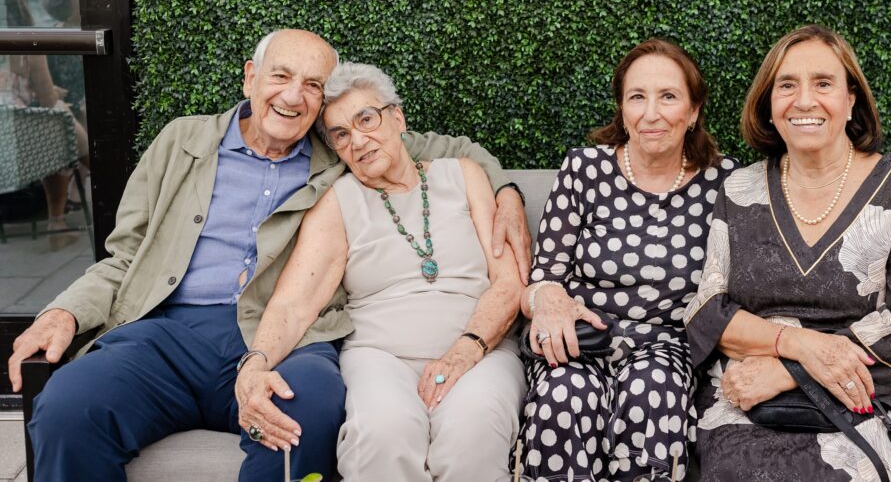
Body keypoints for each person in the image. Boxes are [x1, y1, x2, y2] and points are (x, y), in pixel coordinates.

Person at [7, 29, 532, 482]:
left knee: (305, 409)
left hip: (285, 335)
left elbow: (443, 148)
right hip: (167, 332)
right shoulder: (181, 142)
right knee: (69, 409)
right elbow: (123, 257)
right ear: (250, 78)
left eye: (312, 86)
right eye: (281, 76)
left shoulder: (338, 146)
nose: (293, 96)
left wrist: (506, 189)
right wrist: (65, 311)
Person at [683, 25, 891, 481]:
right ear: (769, 104)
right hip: (757, 396)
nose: (803, 101)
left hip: (876, 390)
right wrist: (798, 346)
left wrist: (790, 371)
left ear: (850, 99)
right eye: (786, 86)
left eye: (823, 84)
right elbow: (707, 310)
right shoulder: (738, 190)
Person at [235, 61, 526, 481]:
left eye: (366, 119)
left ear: (398, 117)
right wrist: (256, 364)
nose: (358, 140)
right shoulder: (338, 202)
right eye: (341, 134)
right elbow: (293, 304)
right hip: (380, 358)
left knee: (473, 432)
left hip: (482, 350)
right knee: (382, 434)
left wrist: (467, 348)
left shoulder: (464, 175)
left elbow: (509, 281)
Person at [517, 38, 737, 482]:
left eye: (668, 96)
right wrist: (549, 301)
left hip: (668, 346)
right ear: (622, 108)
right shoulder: (584, 169)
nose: (651, 113)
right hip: (582, 337)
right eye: (637, 97)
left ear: (694, 111)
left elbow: (737, 291)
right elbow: (543, 278)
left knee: (651, 392)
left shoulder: (725, 183)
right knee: (563, 395)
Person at [2, 0, 89, 247]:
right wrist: (53, 94)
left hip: (6, 143)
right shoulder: (27, 43)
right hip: (25, 141)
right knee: (62, 125)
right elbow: (48, 99)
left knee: (57, 124)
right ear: (21, 7)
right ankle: (58, 221)